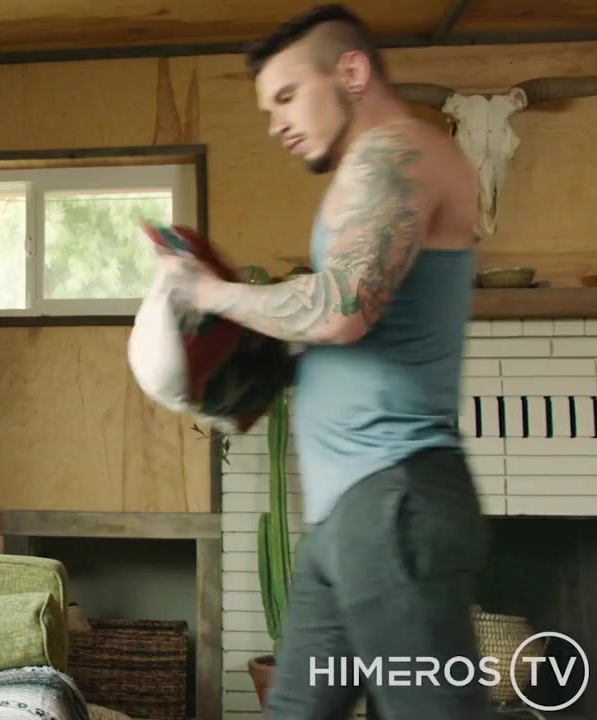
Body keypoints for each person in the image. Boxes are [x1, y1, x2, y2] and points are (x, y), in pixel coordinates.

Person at [155, 4, 492, 719]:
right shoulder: (370, 169)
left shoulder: (397, 152)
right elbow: (348, 323)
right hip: (348, 517)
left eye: (287, 96)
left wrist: (209, 293)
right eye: (267, 108)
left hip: (394, 504)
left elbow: (342, 307)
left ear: (352, 72)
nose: (275, 122)